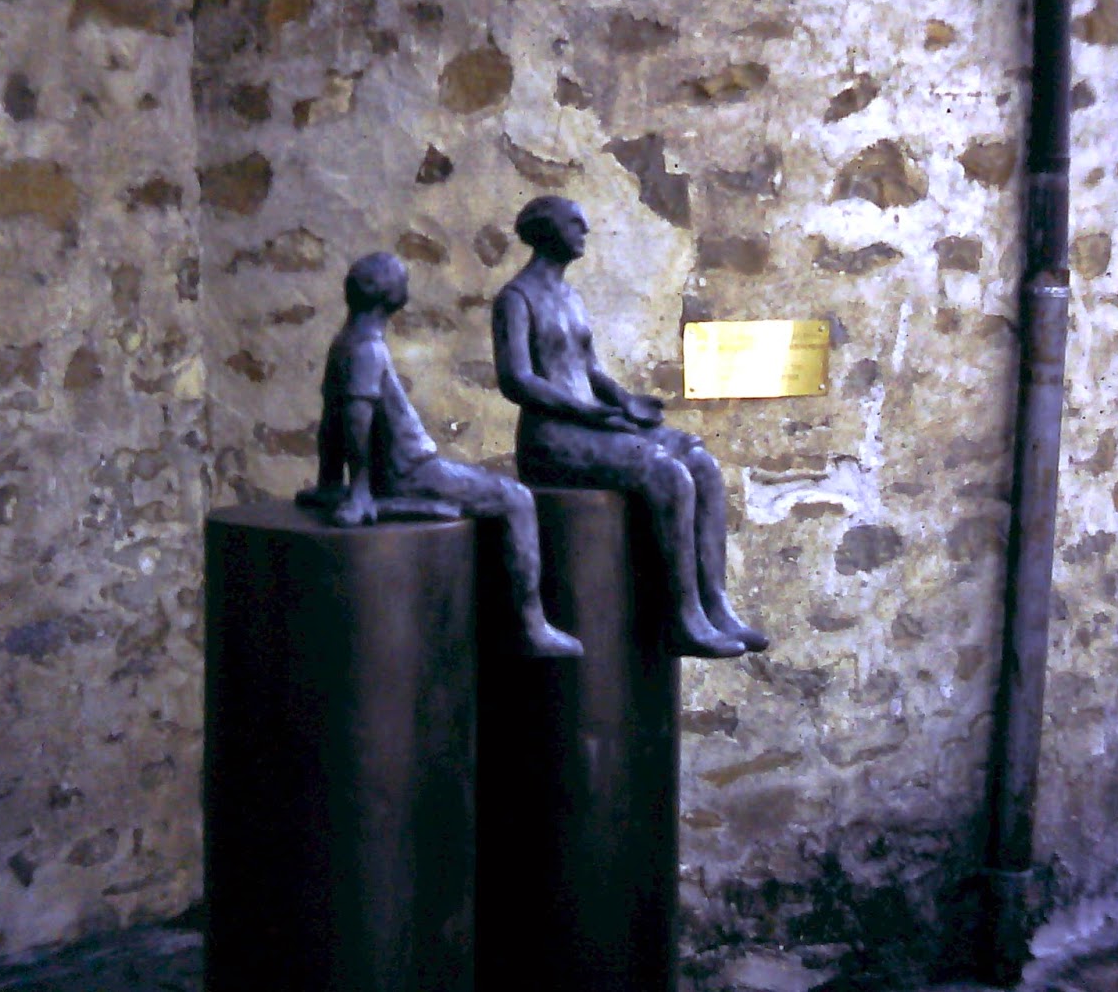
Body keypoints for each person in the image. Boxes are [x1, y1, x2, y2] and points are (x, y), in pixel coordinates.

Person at [491, 196, 769, 659]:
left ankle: (716, 604)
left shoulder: (570, 299)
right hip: (553, 441)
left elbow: (590, 369)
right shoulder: (516, 299)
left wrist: (624, 402)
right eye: (574, 222)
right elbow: (517, 379)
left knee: (699, 460)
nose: (584, 230)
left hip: (591, 427)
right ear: (546, 230)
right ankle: (683, 618)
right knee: (665, 472)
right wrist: (589, 413)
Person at [298, 251, 582, 658]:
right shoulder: (367, 350)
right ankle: (531, 626)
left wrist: (330, 481)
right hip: (411, 471)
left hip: (404, 469)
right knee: (516, 499)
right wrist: (358, 493)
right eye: (401, 279)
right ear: (386, 293)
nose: (407, 285)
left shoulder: (347, 343)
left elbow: (332, 419)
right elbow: (354, 420)